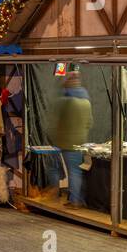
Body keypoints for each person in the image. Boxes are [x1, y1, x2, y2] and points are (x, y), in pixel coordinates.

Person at [50, 71, 93, 208]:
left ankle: (70, 199)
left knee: (64, 170)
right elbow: (90, 123)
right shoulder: (86, 102)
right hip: (81, 141)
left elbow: (57, 121)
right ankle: (76, 198)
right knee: (77, 171)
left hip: (65, 142)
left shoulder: (65, 102)